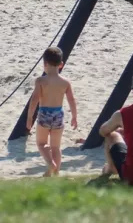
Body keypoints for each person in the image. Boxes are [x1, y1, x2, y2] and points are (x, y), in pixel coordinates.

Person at [25, 46, 77, 177]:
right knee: (56, 147)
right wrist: (74, 117)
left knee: (41, 143)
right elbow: (71, 100)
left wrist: (30, 117)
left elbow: (34, 100)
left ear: (45, 64)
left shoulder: (41, 81)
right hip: (58, 114)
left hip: (44, 114)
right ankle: (56, 173)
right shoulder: (65, 82)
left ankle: (50, 164)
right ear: (61, 64)